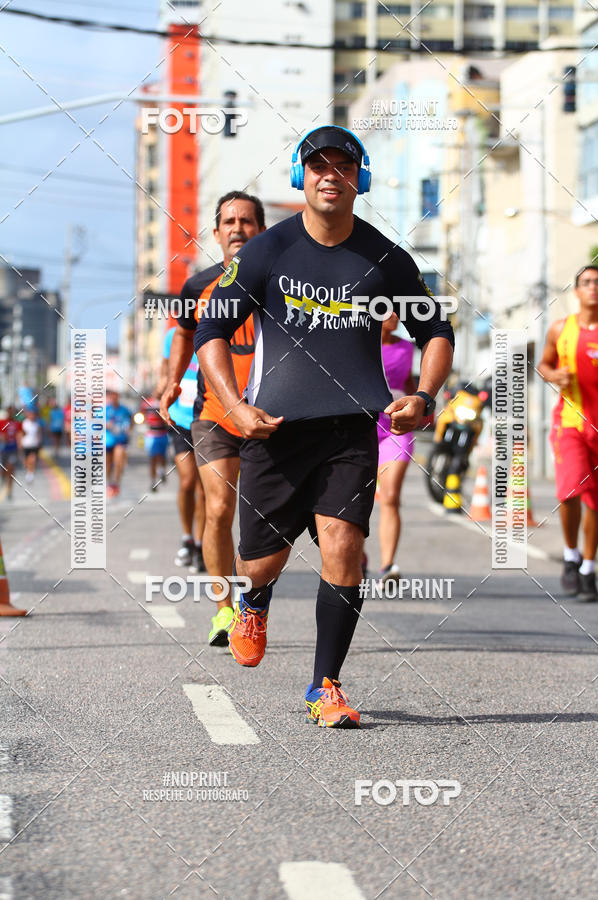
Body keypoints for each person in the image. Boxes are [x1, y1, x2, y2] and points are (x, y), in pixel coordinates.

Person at [194, 125, 454, 728]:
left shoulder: (384, 257)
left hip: (350, 429)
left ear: (358, 180)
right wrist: (233, 405)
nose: (330, 175)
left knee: (344, 546)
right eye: (318, 166)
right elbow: (209, 329)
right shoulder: (267, 251)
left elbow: (434, 331)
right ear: (300, 177)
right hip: (274, 431)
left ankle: (324, 686)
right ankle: (252, 600)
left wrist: (424, 394)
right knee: (262, 562)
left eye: (343, 166)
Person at [160, 190, 265, 645]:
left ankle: (253, 604)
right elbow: (182, 333)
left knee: (261, 519)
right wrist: (171, 381)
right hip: (214, 414)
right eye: (229, 221)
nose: (238, 228)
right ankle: (224, 610)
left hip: (270, 416)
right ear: (217, 232)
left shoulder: (282, 283)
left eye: (246, 221)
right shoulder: (197, 285)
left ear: (260, 229)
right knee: (219, 509)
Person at [538, 264, 598, 601]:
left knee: (597, 503)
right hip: (571, 425)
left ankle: (589, 568)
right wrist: (553, 375)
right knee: (570, 491)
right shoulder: (561, 328)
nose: (593, 287)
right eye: (587, 282)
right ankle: (571, 554)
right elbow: (544, 364)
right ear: (576, 291)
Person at [158, 329, 206, 572]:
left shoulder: (220, 326)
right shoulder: (173, 336)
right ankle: (187, 537)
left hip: (207, 419)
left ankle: (200, 544)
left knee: (204, 487)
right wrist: (161, 389)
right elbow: (166, 369)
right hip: (179, 419)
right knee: (188, 481)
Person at [376, 311, 418, 583]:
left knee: (390, 496)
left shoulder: (406, 348)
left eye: (397, 312)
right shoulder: (358, 342)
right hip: (363, 427)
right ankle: (357, 556)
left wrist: (421, 403)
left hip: (396, 427)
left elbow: (407, 383)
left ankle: (388, 566)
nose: (393, 316)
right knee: (356, 498)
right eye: (386, 311)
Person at [106, 390, 132, 497]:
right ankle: (109, 482)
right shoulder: (105, 410)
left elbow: (131, 421)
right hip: (108, 440)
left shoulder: (125, 410)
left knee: (118, 461)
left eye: (115, 397)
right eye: (112, 397)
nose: (114, 399)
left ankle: (116, 483)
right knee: (107, 464)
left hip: (120, 439)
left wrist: (129, 429)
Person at [141, 395, 169, 493]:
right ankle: (153, 482)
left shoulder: (165, 400)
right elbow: (142, 414)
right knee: (153, 458)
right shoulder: (146, 403)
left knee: (162, 456)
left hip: (163, 433)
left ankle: (161, 470)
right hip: (151, 434)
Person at [0, 406, 22, 499]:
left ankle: (10, 490)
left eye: (12, 412)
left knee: (11, 468)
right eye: (9, 412)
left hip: (13, 449)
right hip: (3, 449)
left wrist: (20, 448)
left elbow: (19, 435)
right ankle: (4, 480)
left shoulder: (17, 423)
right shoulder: (2, 423)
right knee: (4, 470)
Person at [21, 408, 43, 483]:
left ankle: (31, 474)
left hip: (34, 445)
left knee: (33, 459)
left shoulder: (36, 424)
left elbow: (39, 434)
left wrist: (40, 443)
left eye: (33, 415)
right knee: (27, 461)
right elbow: (21, 434)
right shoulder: (24, 423)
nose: (32, 416)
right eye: (31, 415)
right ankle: (28, 471)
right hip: (26, 444)